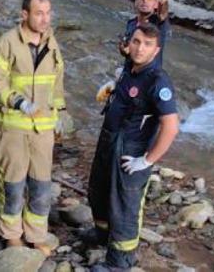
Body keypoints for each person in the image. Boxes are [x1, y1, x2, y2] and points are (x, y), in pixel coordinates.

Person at [86, 24, 180, 271]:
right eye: (136, 42)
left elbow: (171, 127)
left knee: (124, 205)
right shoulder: (128, 68)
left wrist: (147, 160)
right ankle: (102, 236)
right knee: (98, 191)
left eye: (147, 44)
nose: (140, 48)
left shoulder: (158, 81)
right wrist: (113, 89)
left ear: (156, 49)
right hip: (109, 141)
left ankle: (120, 262)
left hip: (131, 151)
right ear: (129, 43)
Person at [0, 0, 67, 256]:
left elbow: (57, 84)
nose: (45, 19)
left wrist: (61, 115)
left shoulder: (52, 44)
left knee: (42, 186)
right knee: (13, 184)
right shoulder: (6, 43)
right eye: (39, 13)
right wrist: (18, 102)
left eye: (48, 12)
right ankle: (11, 234)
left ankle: (36, 234)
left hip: (43, 129)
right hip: (13, 127)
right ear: (24, 15)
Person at [118, 0, 170, 66]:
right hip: (129, 72)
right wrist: (123, 50)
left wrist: (164, 2)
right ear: (136, 1)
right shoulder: (131, 23)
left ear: (156, 4)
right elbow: (128, 51)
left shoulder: (158, 23)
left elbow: (163, 14)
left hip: (148, 75)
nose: (145, 1)